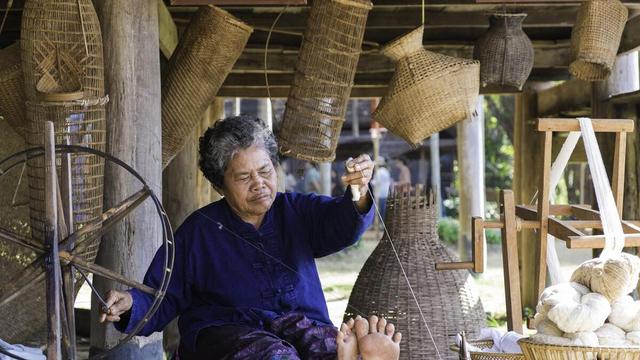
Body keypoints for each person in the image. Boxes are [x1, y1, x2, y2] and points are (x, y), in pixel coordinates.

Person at [99, 115, 401, 360]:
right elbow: (161, 292)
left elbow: (341, 225)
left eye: (265, 171)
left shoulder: (295, 210)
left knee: (320, 344)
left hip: (299, 323)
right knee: (273, 356)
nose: (259, 184)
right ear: (220, 185)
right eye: (244, 177)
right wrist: (131, 303)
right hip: (226, 332)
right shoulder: (199, 231)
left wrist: (358, 193)